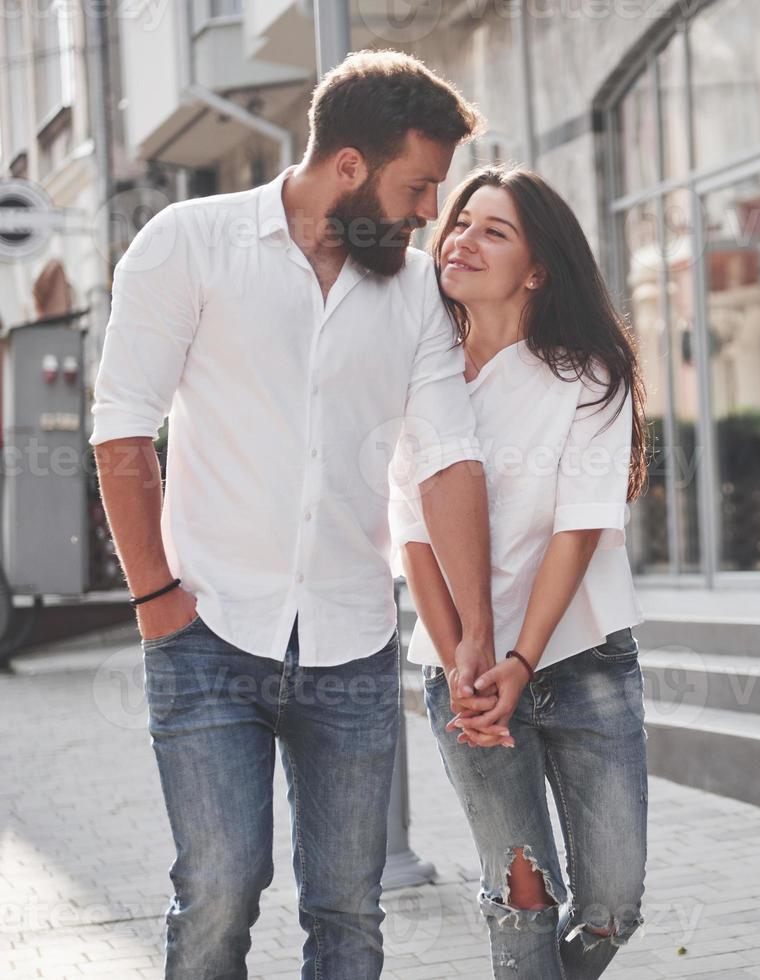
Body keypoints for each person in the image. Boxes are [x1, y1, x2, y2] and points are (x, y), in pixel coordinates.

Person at [89, 50, 502, 980]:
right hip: (207, 633)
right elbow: (121, 432)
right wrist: (157, 600)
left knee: (351, 911)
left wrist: (475, 630)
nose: (430, 213)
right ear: (348, 166)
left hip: (351, 643)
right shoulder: (188, 242)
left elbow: (446, 459)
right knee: (221, 893)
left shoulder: (412, 297)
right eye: (419, 185)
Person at [391, 164, 649, 979]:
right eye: (459, 221)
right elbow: (413, 539)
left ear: (536, 268)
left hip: (580, 662)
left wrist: (519, 659)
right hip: (462, 678)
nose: (460, 237)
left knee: (612, 905)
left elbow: (578, 531)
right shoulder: (415, 375)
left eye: (491, 229)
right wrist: (466, 663)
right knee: (522, 902)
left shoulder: (585, 373)